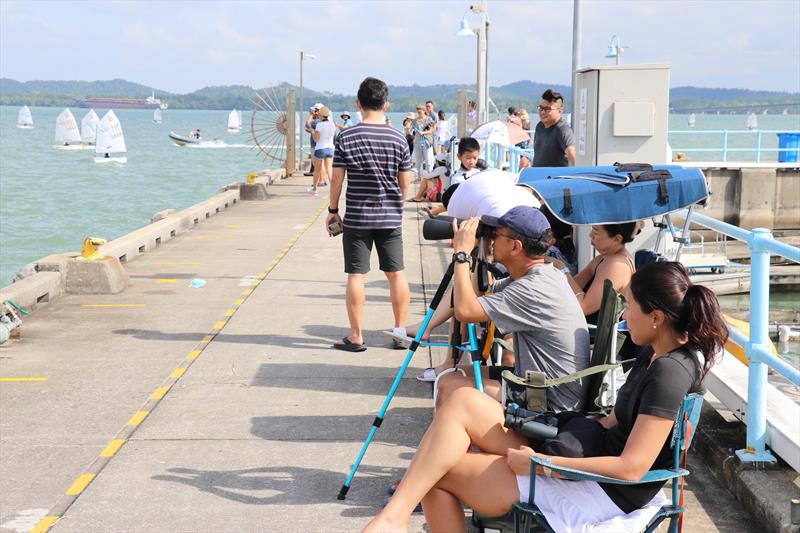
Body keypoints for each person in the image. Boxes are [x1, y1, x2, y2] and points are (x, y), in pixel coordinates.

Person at [364, 261, 728, 533]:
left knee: (438, 475)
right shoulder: (656, 353)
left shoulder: (670, 372)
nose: (623, 314)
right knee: (461, 401)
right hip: (585, 450)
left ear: (657, 317)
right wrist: (545, 430)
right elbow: (614, 419)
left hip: (604, 492)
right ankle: (393, 517)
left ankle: (393, 518)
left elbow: (632, 468)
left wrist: (543, 464)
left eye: (630, 305)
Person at [326, 77, 412, 352]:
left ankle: (356, 336)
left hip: (357, 218)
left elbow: (336, 180)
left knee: (356, 275)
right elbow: (405, 183)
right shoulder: (398, 138)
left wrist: (333, 210)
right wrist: (397, 203)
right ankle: (400, 333)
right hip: (390, 217)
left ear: (358, 104)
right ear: (386, 104)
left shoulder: (347, 137)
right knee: (396, 274)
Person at [552, 223, 642, 324]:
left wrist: (563, 269)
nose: (590, 235)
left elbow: (583, 308)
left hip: (597, 336)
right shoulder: (603, 258)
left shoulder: (617, 265)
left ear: (617, 239)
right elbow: (571, 286)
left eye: (595, 232)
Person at [533, 89, 576, 167]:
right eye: (541, 108)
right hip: (539, 177)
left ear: (560, 111)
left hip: (554, 178)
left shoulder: (562, 129)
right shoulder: (540, 126)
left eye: (547, 109)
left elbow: (572, 154)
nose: (542, 112)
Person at [310, 106, 336, 196]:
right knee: (329, 169)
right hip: (330, 148)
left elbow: (316, 139)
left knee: (317, 170)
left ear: (321, 116)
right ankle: (334, 188)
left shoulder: (319, 125)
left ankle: (314, 189)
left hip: (320, 148)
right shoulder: (332, 124)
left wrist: (313, 133)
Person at [412, 105, 435, 176]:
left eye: (420, 112)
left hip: (426, 141)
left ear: (424, 111)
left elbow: (431, 131)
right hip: (417, 141)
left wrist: (423, 132)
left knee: (428, 161)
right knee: (418, 162)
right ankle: (418, 177)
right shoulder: (415, 121)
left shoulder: (429, 119)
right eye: (418, 112)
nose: (419, 114)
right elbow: (413, 131)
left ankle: (430, 176)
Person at [304, 104, 322, 177]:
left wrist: (311, 115)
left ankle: (319, 179)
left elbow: (307, 124)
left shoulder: (316, 121)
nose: (312, 112)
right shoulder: (323, 121)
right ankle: (320, 178)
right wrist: (311, 130)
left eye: (315, 110)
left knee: (316, 162)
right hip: (320, 144)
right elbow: (312, 130)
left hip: (315, 144)